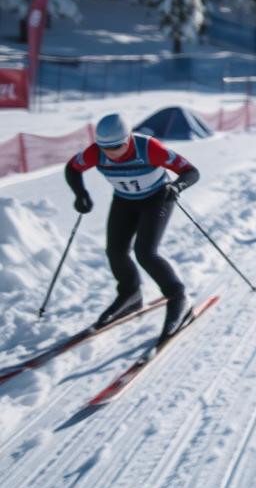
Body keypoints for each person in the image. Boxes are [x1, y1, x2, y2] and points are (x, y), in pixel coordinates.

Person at [65, 113, 203, 345]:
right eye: (105, 147)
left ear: (128, 138)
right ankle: (130, 293)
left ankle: (179, 299)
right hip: (124, 200)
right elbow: (72, 168)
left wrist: (177, 186)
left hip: (158, 198)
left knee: (146, 253)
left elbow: (191, 171)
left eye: (117, 146)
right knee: (115, 252)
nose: (110, 153)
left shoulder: (149, 148)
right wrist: (81, 194)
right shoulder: (96, 152)